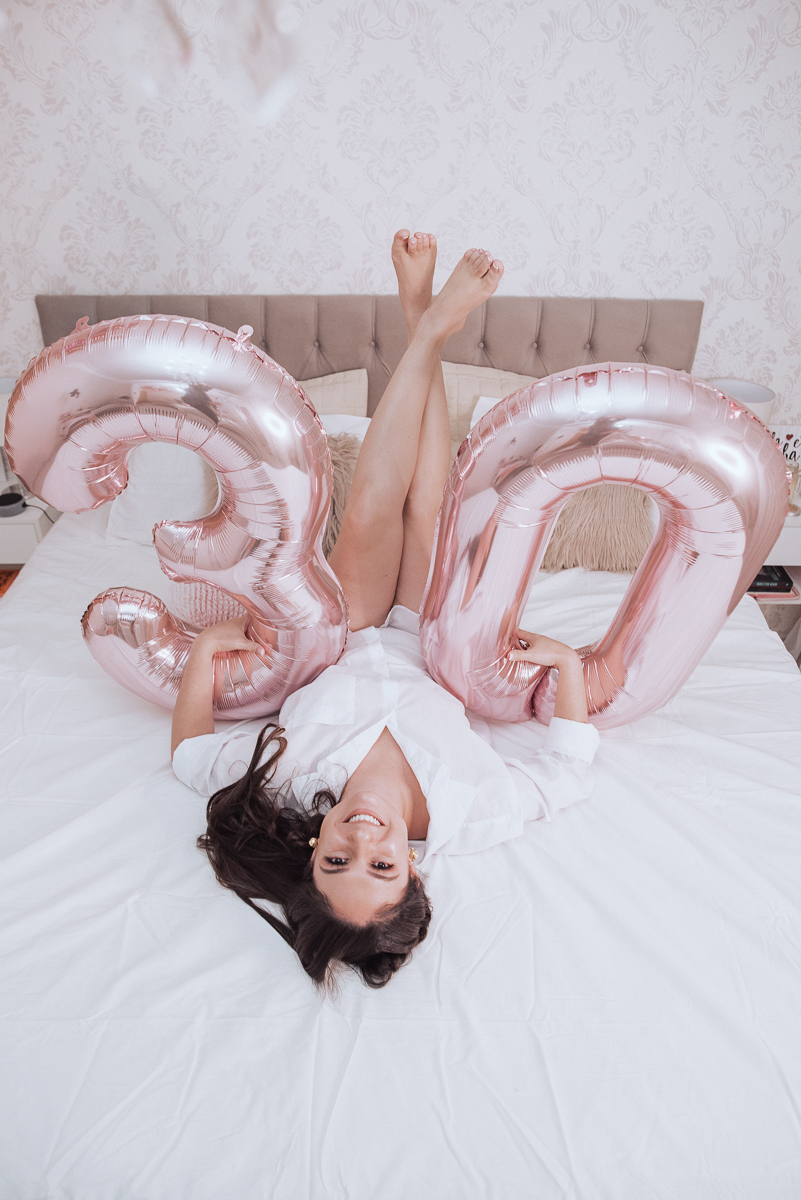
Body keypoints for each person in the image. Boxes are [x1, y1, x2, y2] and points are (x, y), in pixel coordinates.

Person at [171, 232, 600, 989]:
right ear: (411, 868)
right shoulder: (473, 814)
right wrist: (565, 665)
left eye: (338, 860)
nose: (363, 837)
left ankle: (428, 323)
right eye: (380, 864)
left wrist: (206, 652)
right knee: (431, 506)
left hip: (348, 636)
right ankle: (419, 316)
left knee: (370, 508)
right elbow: (565, 772)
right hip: (428, 647)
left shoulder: (284, 790)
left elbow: (187, 758)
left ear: (313, 852)